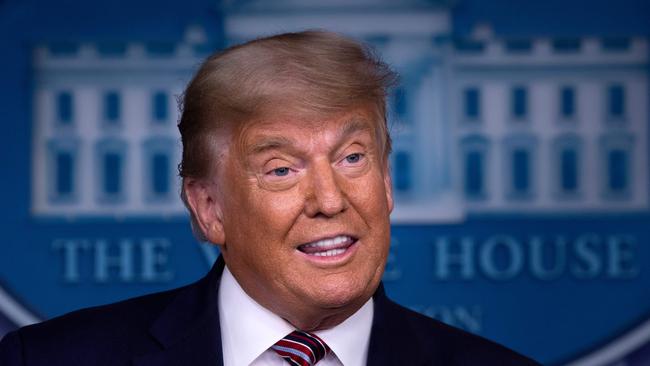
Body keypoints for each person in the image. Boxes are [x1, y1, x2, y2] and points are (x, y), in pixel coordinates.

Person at [0, 31, 539, 366]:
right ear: (209, 208)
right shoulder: (46, 359)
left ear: (388, 182)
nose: (330, 200)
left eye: (352, 158)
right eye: (281, 170)